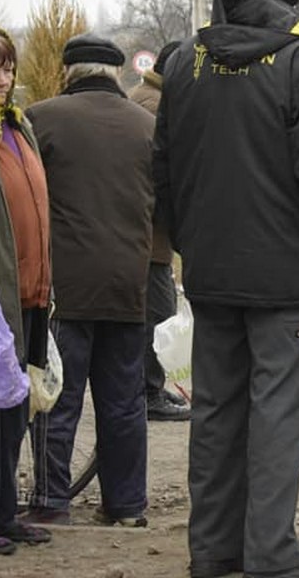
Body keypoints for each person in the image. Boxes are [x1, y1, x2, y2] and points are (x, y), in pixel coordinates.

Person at [154, 0, 299, 578]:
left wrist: (189, 240)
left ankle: (213, 549)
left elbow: (163, 166)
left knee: (216, 409)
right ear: (289, 2)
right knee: (279, 411)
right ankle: (271, 552)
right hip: (286, 274)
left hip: (213, 272)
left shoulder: (187, 62)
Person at [23, 34, 154, 529]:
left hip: (65, 290)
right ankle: (126, 505)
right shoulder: (148, 126)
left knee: (57, 398)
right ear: (116, 73)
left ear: (68, 72)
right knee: (124, 403)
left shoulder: (41, 118)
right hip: (129, 285)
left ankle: (52, 501)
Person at [0, 27, 53, 555]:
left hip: (28, 292)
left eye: (6, 68)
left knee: (14, 411)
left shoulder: (16, 127)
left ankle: (4, 512)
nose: (1, 79)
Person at [127, 39, 189, 422]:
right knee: (159, 314)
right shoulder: (153, 105)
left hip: (145, 234)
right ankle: (148, 393)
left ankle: (149, 387)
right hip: (148, 236)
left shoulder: (144, 95)